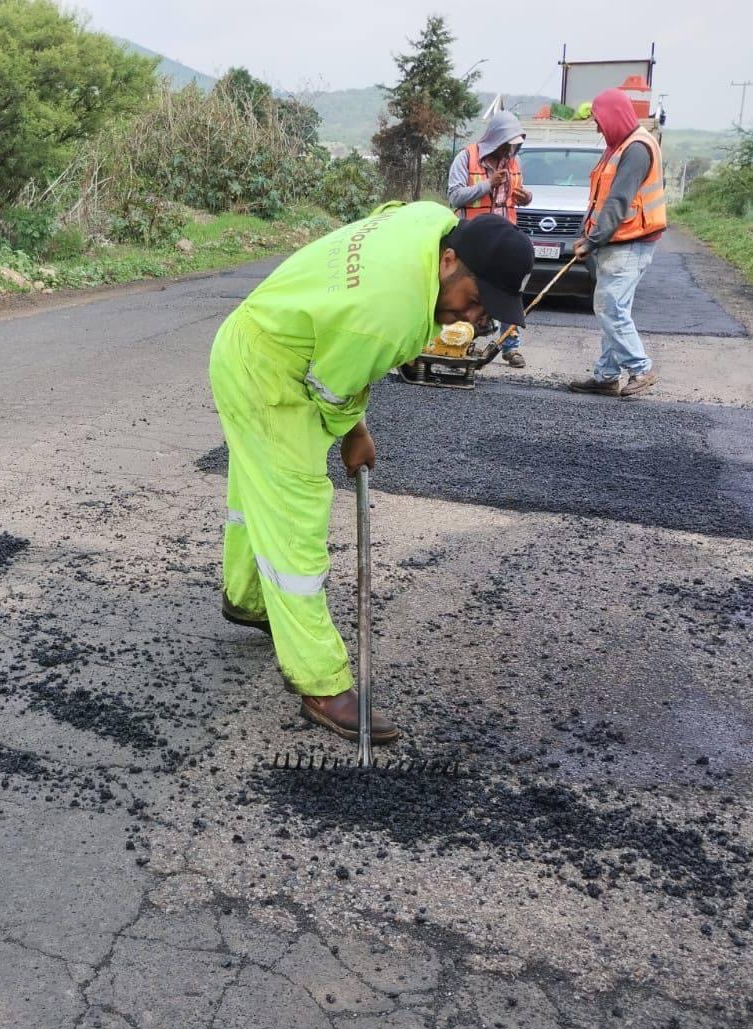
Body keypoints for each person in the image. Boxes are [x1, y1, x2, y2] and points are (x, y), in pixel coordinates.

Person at [211, 206, 534, 743]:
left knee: (257, 487)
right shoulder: (390, 317)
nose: (475, 319)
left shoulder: (430, 219)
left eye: (487, 311)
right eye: (475, 301)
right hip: (269, 369)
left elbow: (383, 218)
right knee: (294, 508)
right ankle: (320, 681)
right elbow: (333, 388)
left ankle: (245, 599)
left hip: (264, 329)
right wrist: (356, 434)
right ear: (448, 261)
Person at [569, 88, 666, 397]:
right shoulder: (618, 146)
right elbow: (600, 198)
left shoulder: (636, 149)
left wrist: (593, 240)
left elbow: (618, 201)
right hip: (618, 242)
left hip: (629, 243)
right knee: (614, 308)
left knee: (609, 308)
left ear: (613, 116)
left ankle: (641, 368)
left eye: (599, 120)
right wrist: (589, 236)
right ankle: (607, 375)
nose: (598, 127)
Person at [447, 110, 534, 368]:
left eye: (514, 145)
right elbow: (455, 197)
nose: (510, 151)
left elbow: (521, 196)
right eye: (507, 144)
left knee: (509, 291)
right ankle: (460, 341)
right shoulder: (466, 158)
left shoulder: (514, 163)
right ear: (496, 139)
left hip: (504, 243)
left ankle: (510, 346)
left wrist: (526, 198)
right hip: (473, 241)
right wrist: (487, 184)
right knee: (469, 292)